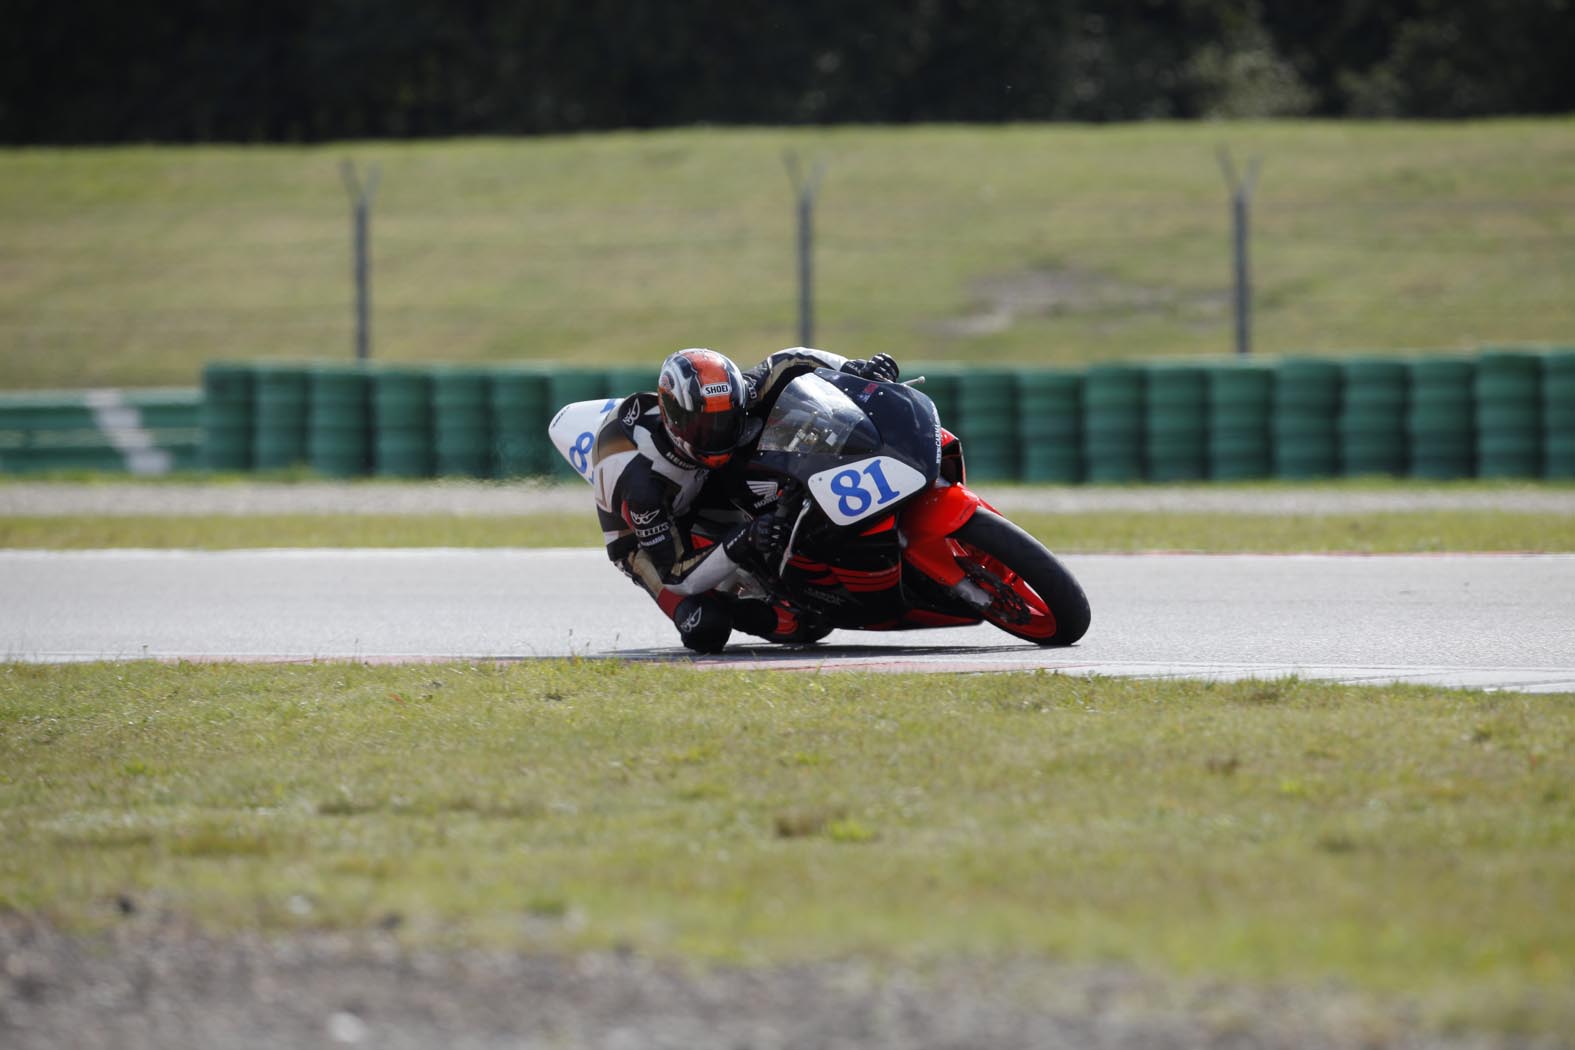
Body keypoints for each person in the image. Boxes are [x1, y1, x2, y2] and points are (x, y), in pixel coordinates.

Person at [588, 346, 901, 653]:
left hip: (703, 480)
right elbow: (676, 574)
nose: (721, 435)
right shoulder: (644, 487)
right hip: (648, 538)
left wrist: (856, 370)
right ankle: (733, 603)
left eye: (728, 420)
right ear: (676, 422)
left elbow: (791, 361)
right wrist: (745, 538)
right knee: (711, 628)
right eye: (708, 428)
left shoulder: (732, 399)